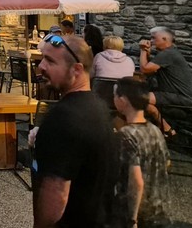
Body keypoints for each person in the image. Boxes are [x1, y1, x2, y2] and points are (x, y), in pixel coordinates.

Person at [31, 34, 117, 228]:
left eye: (51, 61)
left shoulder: (63, 118)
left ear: (76, 69)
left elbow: (56, 195)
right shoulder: (99, 107)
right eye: (43, 58)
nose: (41, 66)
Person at [111, 77, 171, 228]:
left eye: (115, 95)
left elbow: (136, 182)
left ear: (123, 101)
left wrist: (132, 220)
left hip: (137, 212)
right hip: (158, 209)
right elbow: (167, 162)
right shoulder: (155, 130)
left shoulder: (126, 134)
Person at [139, 26, 192, 137]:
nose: (151, 41)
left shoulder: (168, 54)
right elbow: (149, 71)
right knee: (140, 98)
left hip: (183, 97)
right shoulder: (167, 53)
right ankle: (165, 129)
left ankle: (164, 128)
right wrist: (147, 52)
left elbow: (144, 69)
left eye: (153, 38)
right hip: (176, 94)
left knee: (138, 97)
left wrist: (142, 50)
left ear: (165, 39)